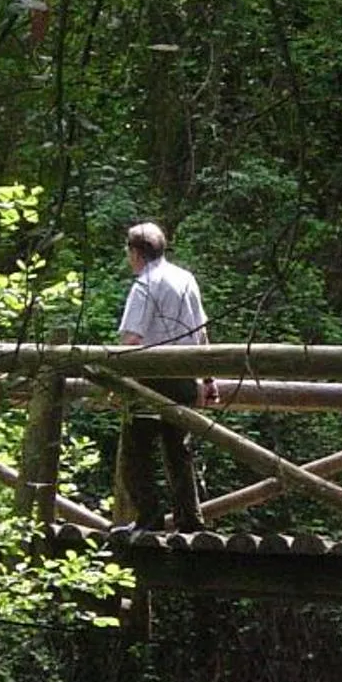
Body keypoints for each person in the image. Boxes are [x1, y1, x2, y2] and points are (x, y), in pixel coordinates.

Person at [114, 221, 212, 530]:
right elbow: (202, 333)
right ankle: (190, 521)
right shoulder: (186, 279)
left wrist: (119, 381)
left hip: (150, 380)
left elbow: (131, 340)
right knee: (178, 453)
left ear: (135, 252)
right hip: (183, 377)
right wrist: (207, 379)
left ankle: (150, 517)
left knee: (136, 452)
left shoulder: (145, 284)